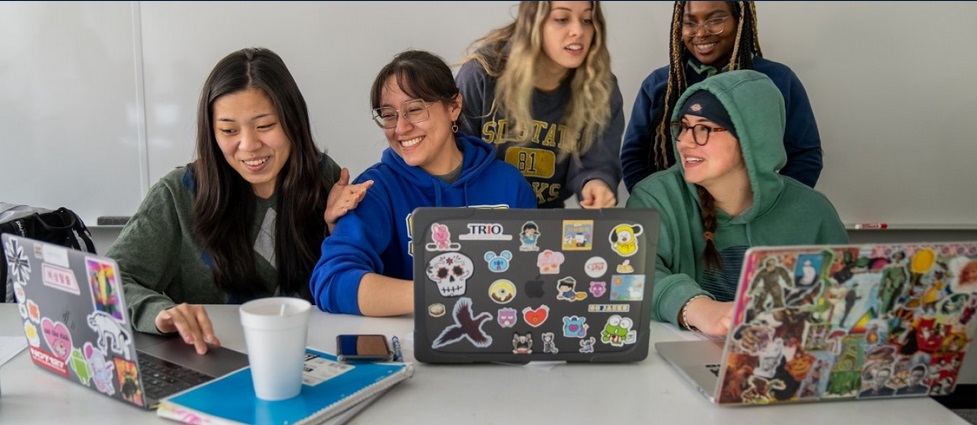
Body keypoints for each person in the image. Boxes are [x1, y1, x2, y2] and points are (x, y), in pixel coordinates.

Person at [109, 47, 371, 354]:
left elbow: (351, 278)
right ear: (212, 132)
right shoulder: (178, 194)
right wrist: (159, 313)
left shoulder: (323, 177)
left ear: (293, 121)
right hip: (213, 360)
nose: (248, 145)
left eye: (264, 126)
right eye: (229, 130)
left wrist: (334, 230)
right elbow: (107, 281)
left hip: (310, 357)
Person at [309, 50, 537, 317]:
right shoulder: (375, 189)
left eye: (415, 110)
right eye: (389, 115)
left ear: (454, 107)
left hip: (498, 341)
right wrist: (439, 293)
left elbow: (535, 277)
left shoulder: (509, 184)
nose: (401, 128)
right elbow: (331, 282)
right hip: (408, 348)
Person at [625, 70, 847, 336]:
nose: (684, 141)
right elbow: (629, 271)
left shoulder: (813, 212)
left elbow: (841, 301)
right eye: (682, 127)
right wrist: (697, 308)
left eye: (703, 129)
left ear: (752, 137)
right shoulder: (656, 197)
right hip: (676, 365)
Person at [621, 1, 822, 193]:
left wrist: (772, 208)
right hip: (675, 220)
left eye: (715, 20)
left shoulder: (777, 79)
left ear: (740, 20)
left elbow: (805, 156)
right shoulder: (659, 84)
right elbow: (634, 157)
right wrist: (658, 205)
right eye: (690, 22)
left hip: (755, 218)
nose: (700, 33)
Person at [457, 1, 624, 209]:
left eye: (587, 20)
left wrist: (596, 183)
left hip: (546, 223)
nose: (578, 31)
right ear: (532, 23)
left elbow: (597, 162)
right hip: (481, 216)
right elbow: (456, 158)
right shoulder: (482, 74)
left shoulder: (600, 87)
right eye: (562, 19)